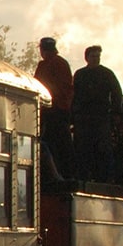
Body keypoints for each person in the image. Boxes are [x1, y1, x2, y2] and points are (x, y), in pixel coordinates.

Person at [72, 45, 123, 183]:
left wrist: (116, 112)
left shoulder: (107, 74)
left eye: (98, 56)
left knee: (103, 148)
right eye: (93, 56)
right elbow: (74, 95)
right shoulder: (80, 74)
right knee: (83, 147)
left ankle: (106, 177)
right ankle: (83, 175)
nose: (96, 59)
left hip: (101, 116)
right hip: (83, 117)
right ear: (87, 58)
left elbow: (117, 93)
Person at [33, 37, 75, 179]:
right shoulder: (61, 63)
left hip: (52, 110)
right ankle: (64, 173)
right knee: (60, 144)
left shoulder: (45, 66)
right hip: (58, 109)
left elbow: (38, 85)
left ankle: (59, 174)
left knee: (54, 143)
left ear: (43, 49)